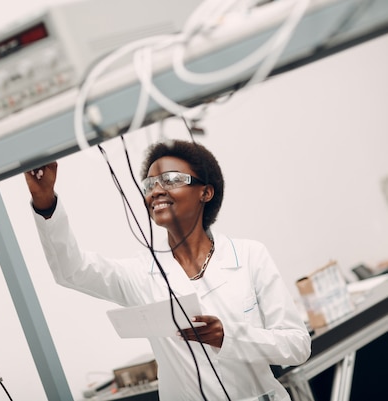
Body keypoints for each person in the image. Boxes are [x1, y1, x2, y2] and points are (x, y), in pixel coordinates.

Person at [24, 139, 311, 401]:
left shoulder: (249, 256)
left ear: (206, 192)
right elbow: (72, 271)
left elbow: (297, 345)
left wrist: (229, 336)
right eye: (149, 185)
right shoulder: (141, 274)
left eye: (171, 180)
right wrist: (45, 201)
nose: (156, 191)